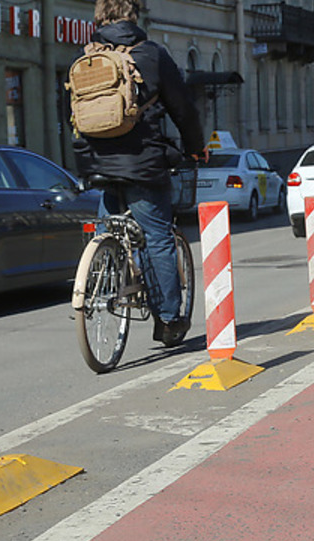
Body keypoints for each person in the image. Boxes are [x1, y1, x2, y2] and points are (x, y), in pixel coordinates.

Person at [75, 0, 206, 347]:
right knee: (159, 238)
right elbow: (183, 109)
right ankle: (168, 319)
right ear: (134, 16)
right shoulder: (152, 54)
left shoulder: (84, 58)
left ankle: (102, 280)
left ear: (99, 18)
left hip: (98, 165)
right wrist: (195, 147)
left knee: (107, 228)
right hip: (142, 165)